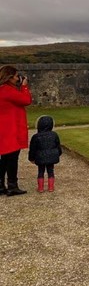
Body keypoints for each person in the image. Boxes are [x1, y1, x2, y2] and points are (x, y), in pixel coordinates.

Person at [0, 65, 32, 196]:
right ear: (9, 77)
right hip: (10, 130)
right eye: (15, 76)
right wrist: (24, 86)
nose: (17, 78)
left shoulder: (4, 89)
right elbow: (26, 100)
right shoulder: (7, 90)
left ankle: (1, 185)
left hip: (5, 129)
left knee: (5, 159)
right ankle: (12, 185)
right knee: (12, 158)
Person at [28, 115, 62, 193]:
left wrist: (31, 158)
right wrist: (58, 154)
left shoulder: (36, 136)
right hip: (51, 156)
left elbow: (32, 149)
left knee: (40, 171)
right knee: (50, 171)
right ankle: (51, 187)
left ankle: (40, 188)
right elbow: (58, 146)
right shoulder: (54, 135)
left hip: (40, 157)